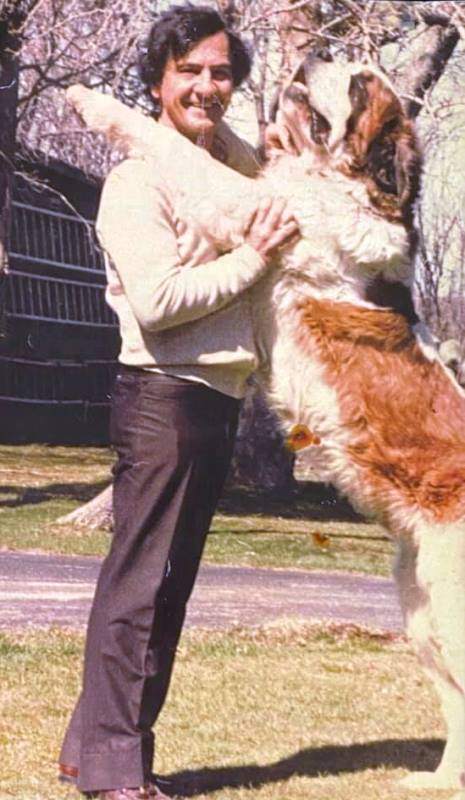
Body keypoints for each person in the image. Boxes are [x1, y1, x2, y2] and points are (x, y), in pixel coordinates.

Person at [58, 5, 297, 799]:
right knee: (142, 586)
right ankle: (115, 773)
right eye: (187, 70)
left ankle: (87, 749)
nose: (205, 86)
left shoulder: (231, 170)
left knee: (163, 586)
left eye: (220, 72)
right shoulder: (136, 181)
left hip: (217, 396)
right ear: (157, 80)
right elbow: (159, 303)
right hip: (163, 397)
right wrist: (253, 261)